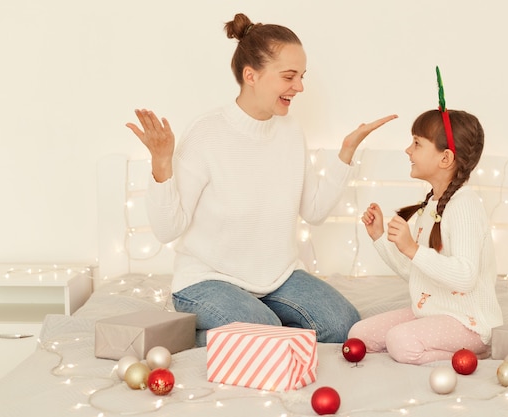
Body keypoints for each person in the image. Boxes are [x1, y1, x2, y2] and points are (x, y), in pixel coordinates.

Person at [126, 13, 396, 346]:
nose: (299, 87)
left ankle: (245, 335)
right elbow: (169, 228)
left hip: (278, 278)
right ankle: (204, 334)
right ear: (250, 75)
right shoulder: (207, 133)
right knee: (267, 333)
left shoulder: (290, 131)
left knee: (344, 327)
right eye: (289, 77)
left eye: (301, 76)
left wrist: (346, 152)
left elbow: (314, 211)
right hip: (207, 280)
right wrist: (161, 162)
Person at [348, 68, 503, 365]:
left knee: (400, 341)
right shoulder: (430, 206)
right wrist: (381, 238)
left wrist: (412, 248)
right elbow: (415, 272)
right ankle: (426, 345)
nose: (408, 150)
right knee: (360, 334)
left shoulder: (464, 205)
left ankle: (475, 354)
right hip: (432, 311)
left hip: (468, 323)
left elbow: (466, 277)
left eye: (417, 143)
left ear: (445, 158)